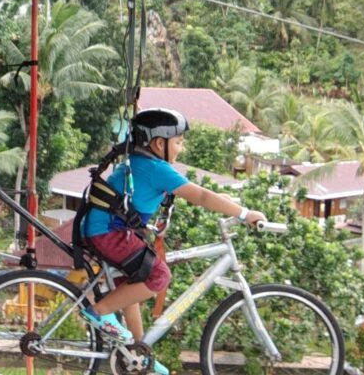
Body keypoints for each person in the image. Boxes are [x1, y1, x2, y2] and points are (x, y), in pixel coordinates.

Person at [79, 108, 266, 373]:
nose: (182, 147)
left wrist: (234, 206)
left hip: (103, 229)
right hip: (109, 232)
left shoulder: (138, 161)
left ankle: (138, 355)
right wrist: (244, 213)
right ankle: (100, 311)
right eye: (178, 141)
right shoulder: (156, 168)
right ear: (158, 143)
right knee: (158, 276)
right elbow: (200, 195)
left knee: (133, 286)